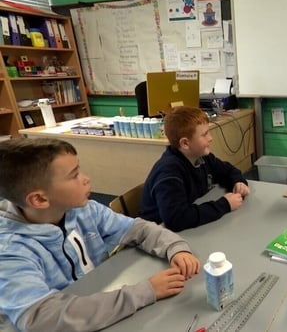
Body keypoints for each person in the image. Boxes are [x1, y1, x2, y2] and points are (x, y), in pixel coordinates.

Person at [0, 138, 201, 331]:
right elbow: (43, 318)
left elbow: (139, 230)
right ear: (40, 199)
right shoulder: (9, 251)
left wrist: (175, 249)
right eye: (74, 175)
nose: (86, 178)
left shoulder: (85, 210)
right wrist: (144, 292)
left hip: (99, 307)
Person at [140, 106, 250, 232]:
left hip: (187, 229)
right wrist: (224, 205)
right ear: (185, 143)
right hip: (156, 233)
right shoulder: (168, 172)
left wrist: (238, 182)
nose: (211, 138)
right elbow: (176, 219)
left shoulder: (202, 157)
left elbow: (228, 171)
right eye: (204, 134)